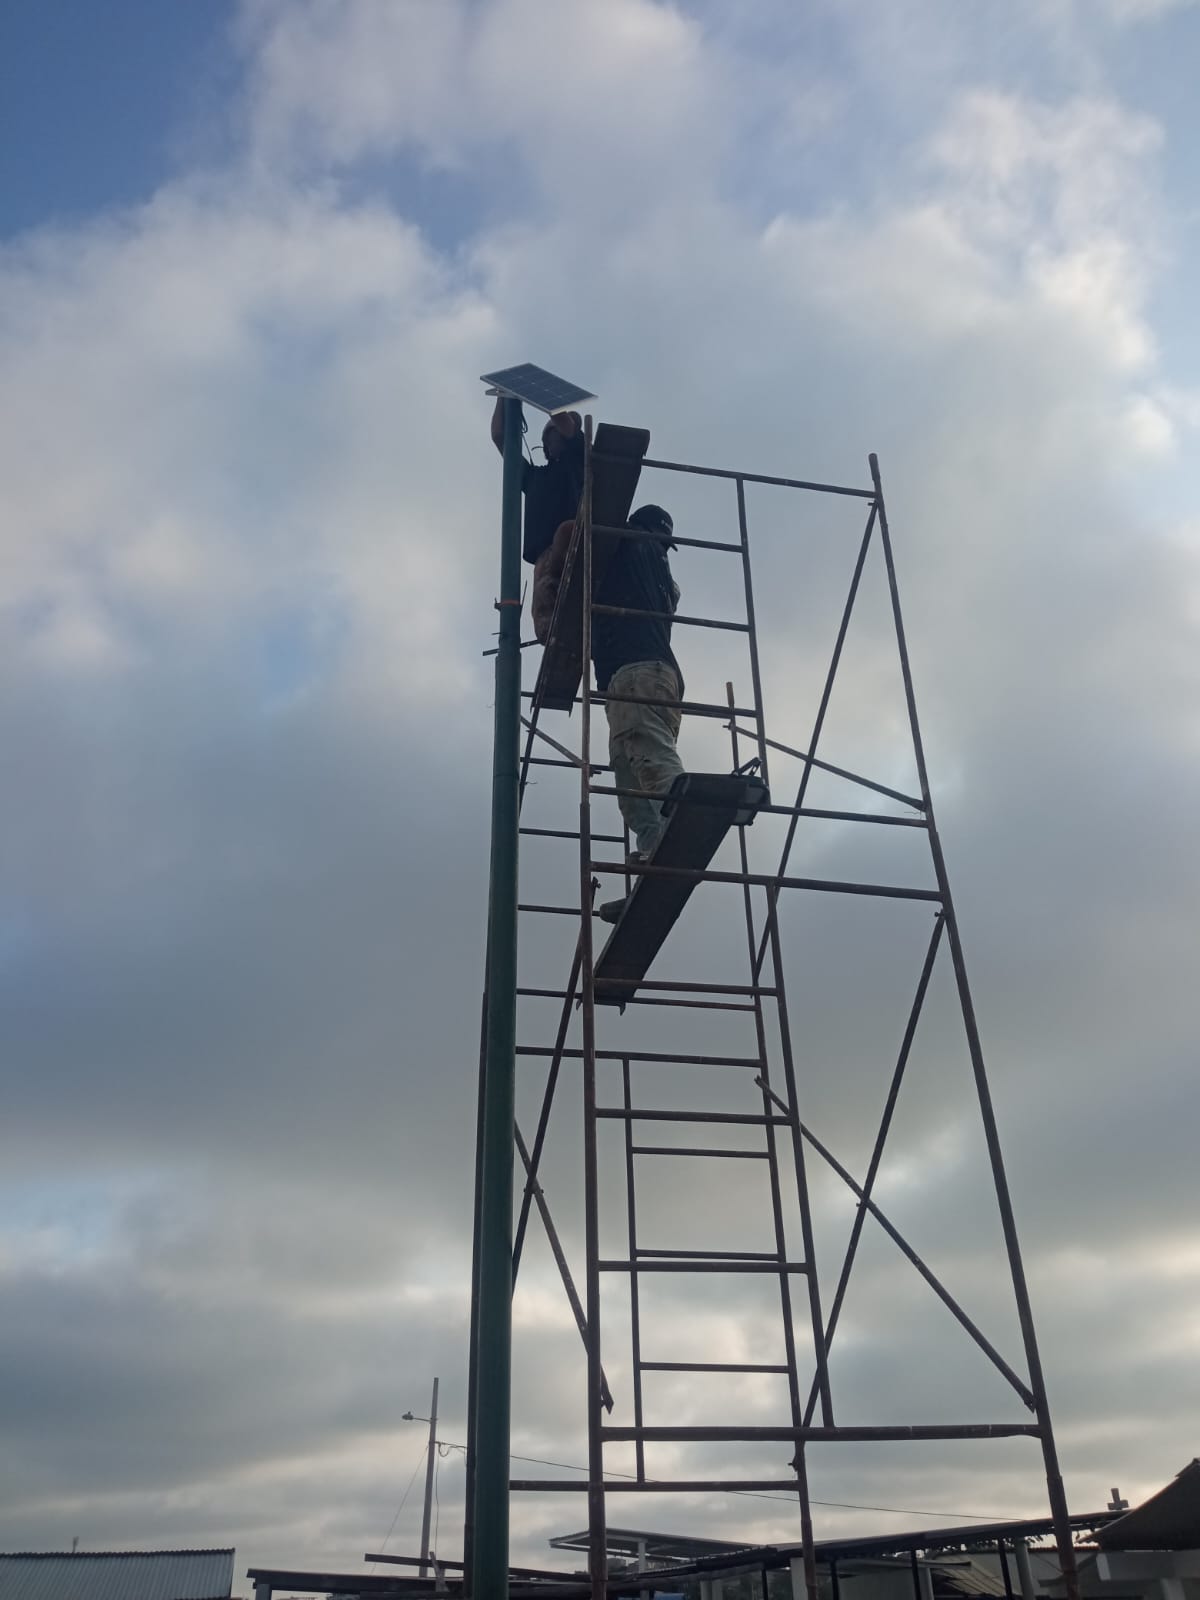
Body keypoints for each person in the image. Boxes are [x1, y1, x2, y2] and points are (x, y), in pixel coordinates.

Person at [592, 503, 685, 923]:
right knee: (630, 780)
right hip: (644, 677)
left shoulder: (632, 545)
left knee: (647, 754)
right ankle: (654, 853)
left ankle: (681, 822)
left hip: (638, 672)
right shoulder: (662, 574)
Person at [490, 399, 584, 641]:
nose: (554, 439)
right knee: (547, 627)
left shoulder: (577, 459)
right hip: (544, 560)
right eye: (550, 436)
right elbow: (500, 438)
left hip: (571, 544)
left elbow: (565, 423)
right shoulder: (533, 477)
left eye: (556, 435)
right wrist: (502, 398)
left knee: (575, 613)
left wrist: (538, 394)